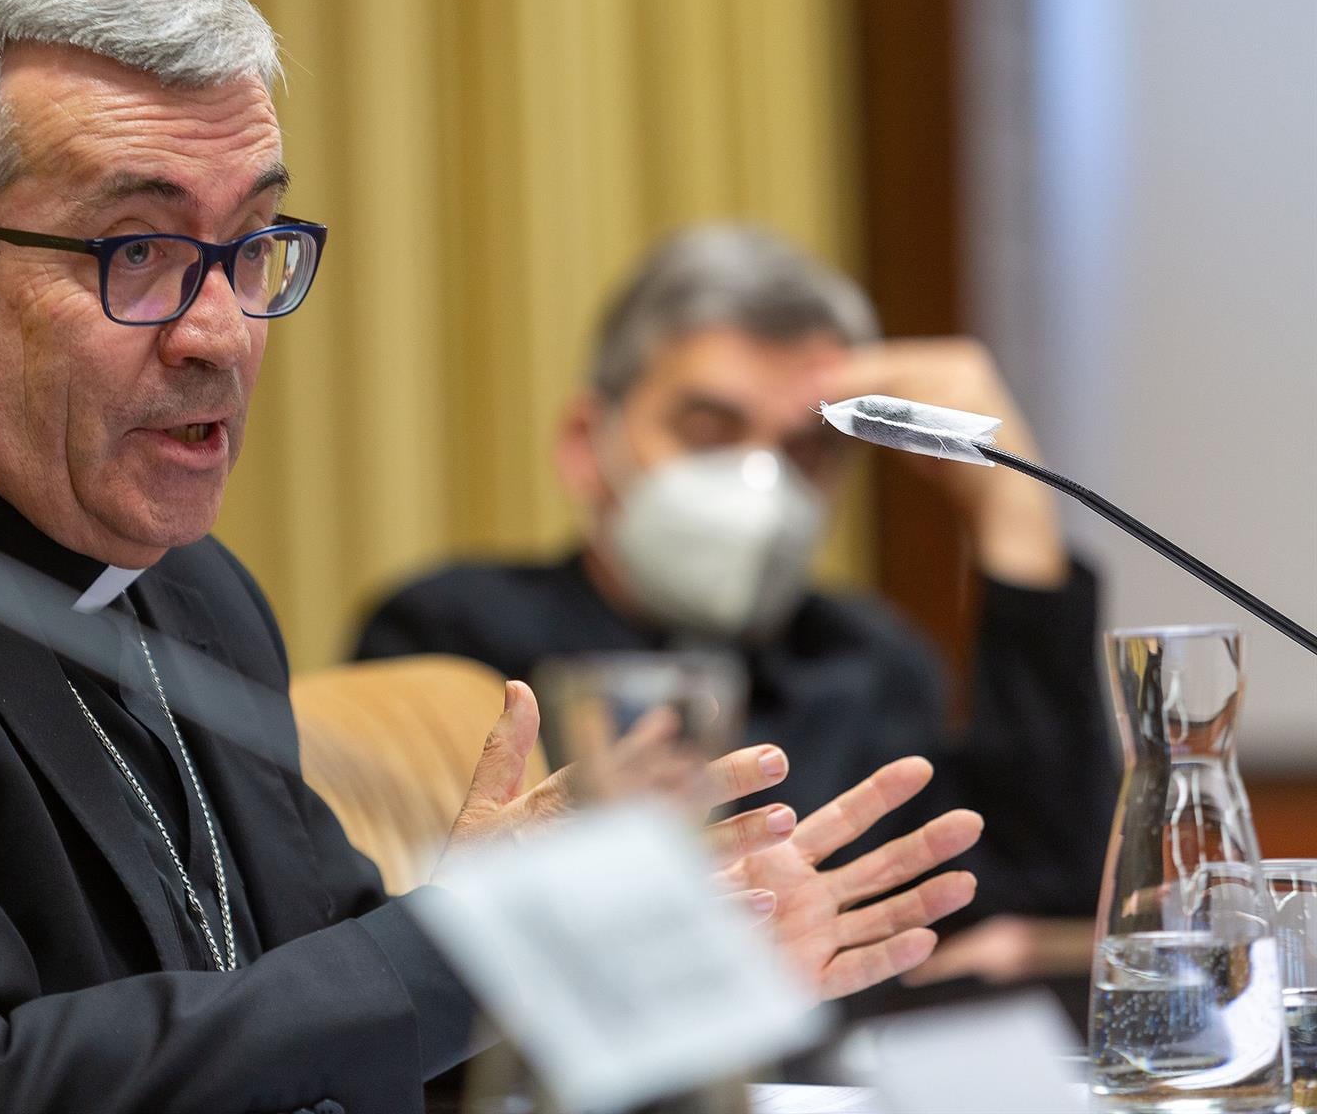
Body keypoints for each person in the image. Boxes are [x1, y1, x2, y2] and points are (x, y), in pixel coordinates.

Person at [0, 0, 981, 1114]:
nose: (221, 331)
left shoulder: (192, 590)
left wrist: (627, 964)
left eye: (252, 244)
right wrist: (472, 948)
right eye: (141, 252)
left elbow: (322, 1030)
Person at [353, 226, 1116, 987]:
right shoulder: (450, 637)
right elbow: (403, 971)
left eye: (805, 451)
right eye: (709, 432)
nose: (760, 481)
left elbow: (1043, 896)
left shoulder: (870, 663)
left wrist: (1013, 511)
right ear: (588, 443)